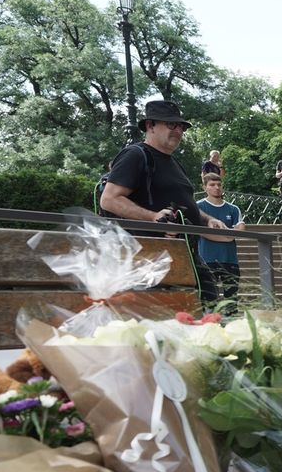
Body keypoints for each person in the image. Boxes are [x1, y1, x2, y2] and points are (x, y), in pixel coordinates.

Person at [99, 100, 230, 309]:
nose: (178, 131)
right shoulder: (135, 155)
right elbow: (109, 199)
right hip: (150, 259)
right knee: (172, 321)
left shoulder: (175, 162)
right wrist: (152, 217)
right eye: (171, 125)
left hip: (184, 254)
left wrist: (208, 219)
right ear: (150, 125)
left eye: (181, 127)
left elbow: (185, 206)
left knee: (210, 312)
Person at [196, 173, 245, 313]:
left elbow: (240, 229)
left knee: (232, 303)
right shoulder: (198, 207)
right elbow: (202, 232)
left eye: (219, 184)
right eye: (212, 185)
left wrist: (228, 236)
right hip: (206, 260)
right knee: (208, 303)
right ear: (204, 187)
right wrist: (228, 237)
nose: (216, 188)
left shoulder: (233, 208)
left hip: (230, 260)